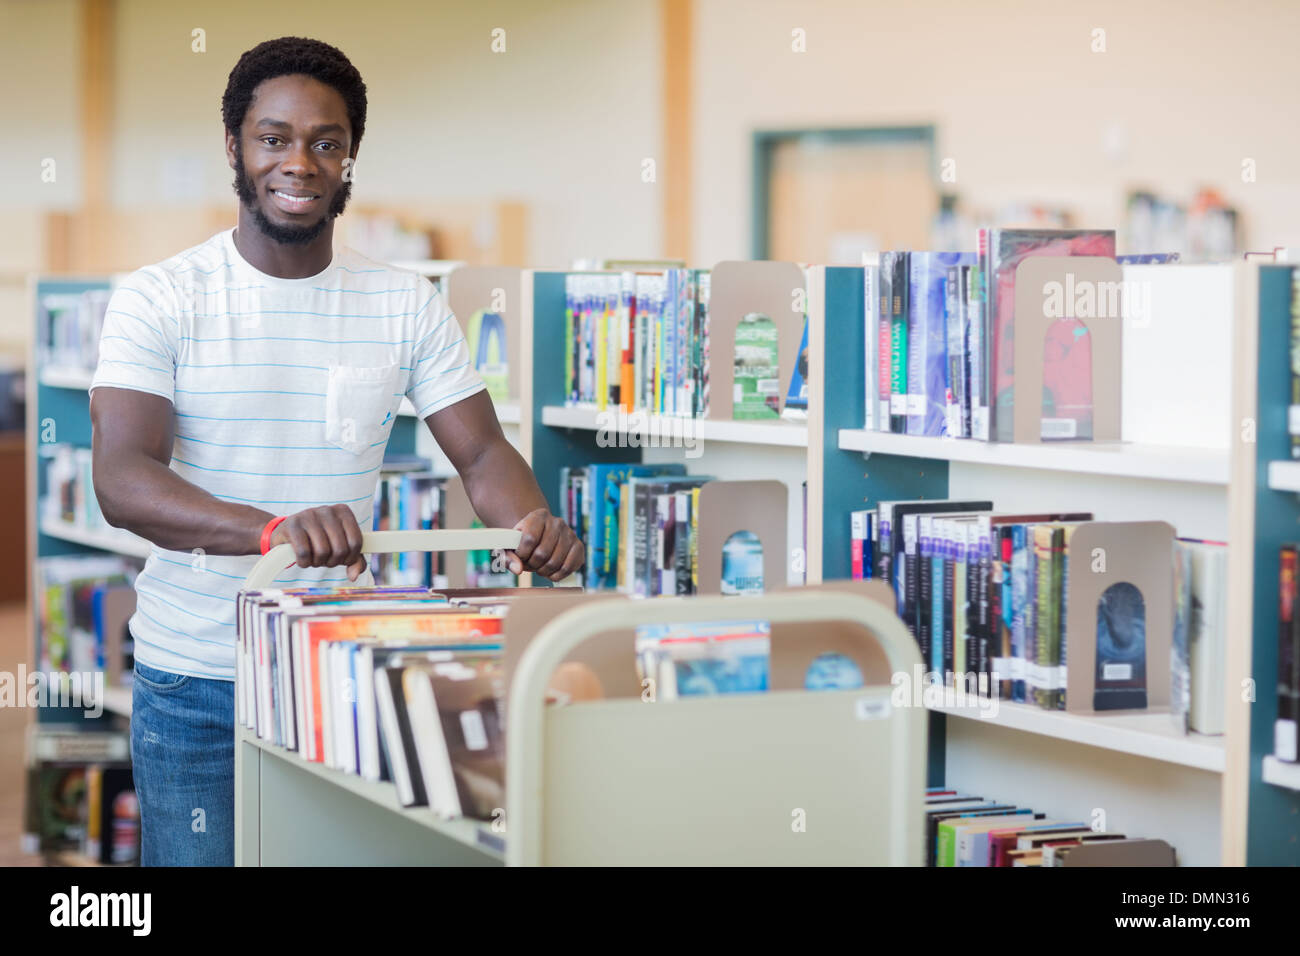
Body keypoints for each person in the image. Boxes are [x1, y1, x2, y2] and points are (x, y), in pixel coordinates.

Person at [88, 36, 583, 866]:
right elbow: (122, 479)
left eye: (326, 142)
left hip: (344, 669)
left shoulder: (404, 303)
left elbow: (482, 452)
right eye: (274, 138)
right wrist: (272, 529)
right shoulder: (160, 296)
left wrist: (532, 525)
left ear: (351, 156)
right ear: (236, 150)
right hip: (195, 681)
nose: (300, 162)